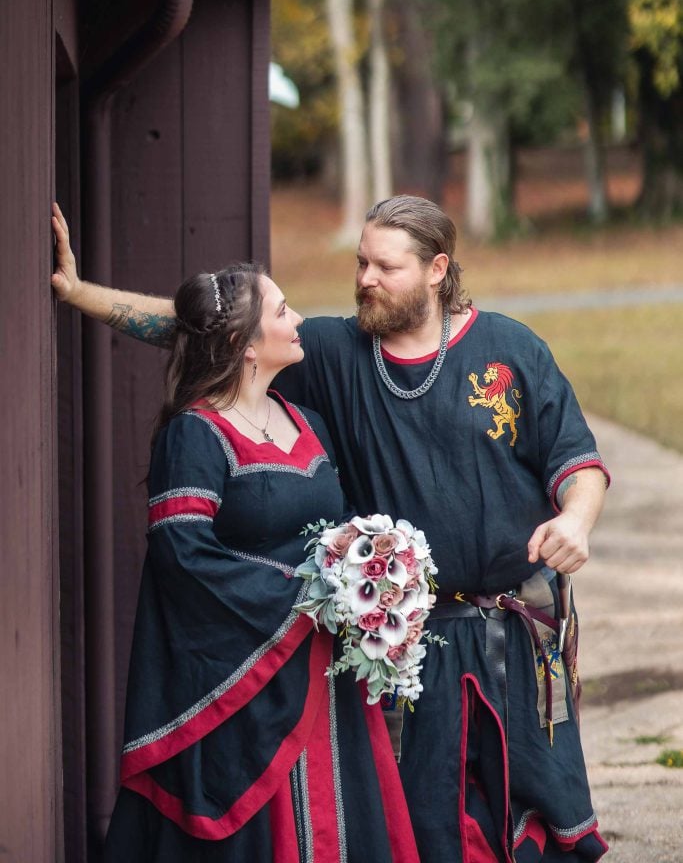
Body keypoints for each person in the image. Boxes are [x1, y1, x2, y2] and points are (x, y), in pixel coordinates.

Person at [52, 196, 610, 863]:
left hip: (516, 633)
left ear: (437, 269)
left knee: (538, 814)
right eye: (359, 262)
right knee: (427, 822)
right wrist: (79, 293)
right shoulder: (333, 352)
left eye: (384, 266)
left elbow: (574, 459)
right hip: (407, 642)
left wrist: (575, 520)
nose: (364, 278)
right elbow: (203, 328)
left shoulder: (510, 349)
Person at [70, 256, 420, 861]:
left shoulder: (305, 421)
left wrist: (372, 570)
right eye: (282, 311)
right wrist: (314, 594)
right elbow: (184, 555)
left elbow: (332, 532)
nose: (299, 319)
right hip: (243, 686)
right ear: (244, 344)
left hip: (321, 678)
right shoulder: (196, 434)